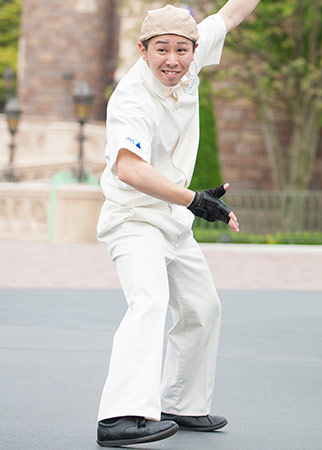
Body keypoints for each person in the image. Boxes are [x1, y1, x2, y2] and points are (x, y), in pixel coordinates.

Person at [94, 2, 259, 447]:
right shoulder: (131, 98)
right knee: (149, 301)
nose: (173, 59)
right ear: (143, 50)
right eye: (161, 49)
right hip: (134, 218)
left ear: (194, 48)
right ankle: (119, 418)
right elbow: (129, 169)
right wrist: (194, 200)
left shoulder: (192, 56)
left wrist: (187, 206)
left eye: (182, 50)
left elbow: (230, 13)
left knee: (202, 308)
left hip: (171, 219)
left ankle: (180, 404)